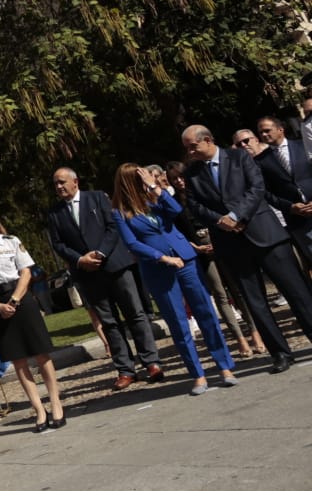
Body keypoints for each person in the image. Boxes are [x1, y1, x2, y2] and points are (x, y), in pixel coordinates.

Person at [181, 124, 312, 373]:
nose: (190, 152)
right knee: (255, 302)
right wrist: (220, 221)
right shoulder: (193, 173)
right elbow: (195, 206)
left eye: (193, 146)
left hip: (265, 234)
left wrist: (236, 214)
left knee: (297, 291)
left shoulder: (240, 157)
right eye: (187, 148)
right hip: (231, 244)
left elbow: (257, 187)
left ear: (207, 140)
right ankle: (280, 353)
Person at [110, 163, 239, 396]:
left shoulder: (155, 199)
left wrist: (154, 187)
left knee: (206, 313)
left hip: (186, 260)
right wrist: (162, 258)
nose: (146, 179)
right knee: (179, 324)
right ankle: (198, 374)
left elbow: (176, 210)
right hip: (159, 270)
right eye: (141, 177)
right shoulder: (120, 212)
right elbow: (132, 243)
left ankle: (225, 366)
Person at [44, 167, 163, 390]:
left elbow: (113, 226)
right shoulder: (55, 213)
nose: (59, 187)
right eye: (55, 184)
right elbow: (58, 244)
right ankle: (125, 370)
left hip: (116, 266)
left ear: (75, 181)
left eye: (62, 182)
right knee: (109, 322)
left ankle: (151, 362)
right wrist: (81, 260)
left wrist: (100, 253)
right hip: (87, 274)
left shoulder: (97, 198)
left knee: (135, 314)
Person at [0, 206, 65, 432]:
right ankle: (39, 409)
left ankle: (56, 403)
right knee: (18, 360)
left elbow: (26, 272)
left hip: (20, 298)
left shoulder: (11, 241)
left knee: (41, 354)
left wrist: (14, 300)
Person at [166, 161, 261, 358]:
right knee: (219, 293)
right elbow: (176, 233)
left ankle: (255, 331)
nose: (179, 181)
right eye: (174, 179)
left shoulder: (201, 192)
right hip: (200, 251)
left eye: (181, 176)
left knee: (237, 289)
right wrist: (197, 248)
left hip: (222, 243)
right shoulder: (174, 203)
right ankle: (239, 338)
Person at [253, 116, 312, 264]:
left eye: (267, 130)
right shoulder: (260, 161)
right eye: (261, 133)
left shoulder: (304, 146)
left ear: (280, 129)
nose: (264, 135)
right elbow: (266, 192)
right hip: (297, 218)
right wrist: (290, 207)